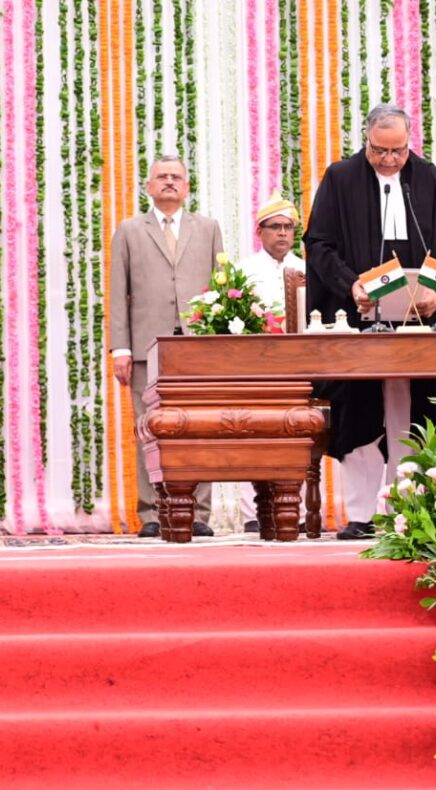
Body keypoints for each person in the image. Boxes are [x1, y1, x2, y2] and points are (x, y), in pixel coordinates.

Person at [304, 103, 436, 540]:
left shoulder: (431, 180)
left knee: (415, 414)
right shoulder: (340, 178)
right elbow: (319, 244)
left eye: (398, 152)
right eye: (380, 151)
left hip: (418, 326)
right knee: (361, 411)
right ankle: (360, 513)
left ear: (409, 143)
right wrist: (350, 286)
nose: (390, 161)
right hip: (360, 321)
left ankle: (412, 509)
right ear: (366, 141)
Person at [109, 154, 222, 538]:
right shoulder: (129, 230)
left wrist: (220, 339)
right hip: (146, 347)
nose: (170, 182)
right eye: (162, 177)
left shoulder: (207, 228)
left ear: (187, 186)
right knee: (149, 430)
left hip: (199, 347)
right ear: (149, 186)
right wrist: (120, 349)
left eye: (176, 177)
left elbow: (223, 288)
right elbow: (118, 292)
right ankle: (152, 513)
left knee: (200, 428)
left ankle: (199, 513)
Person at [238, 192, 306, 533]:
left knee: (298, 432)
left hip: (298, 366)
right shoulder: (242, 272)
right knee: (253, 432)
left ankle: (300, 512)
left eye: (288, 227)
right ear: (260, 231)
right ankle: (253, 512)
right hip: (255, 368)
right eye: (275, 227)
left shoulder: (306, 270)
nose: (282, 234)